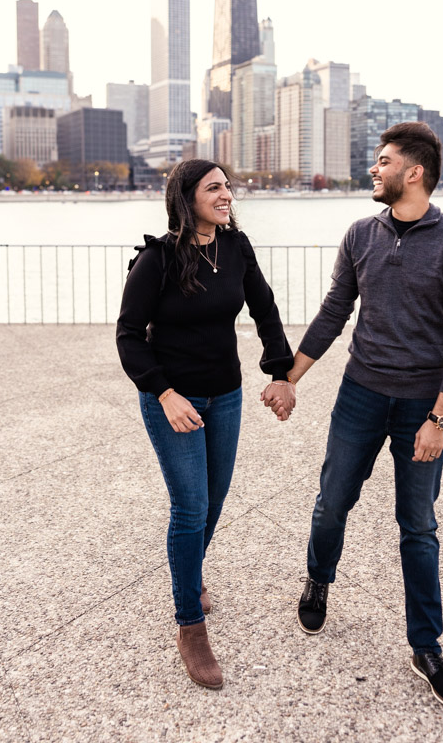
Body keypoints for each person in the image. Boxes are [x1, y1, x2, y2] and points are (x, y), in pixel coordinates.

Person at [263, 122, 443, 711]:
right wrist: (289, 379)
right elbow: (335, 310)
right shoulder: (361, 233)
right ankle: (319, 580)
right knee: (332, 500)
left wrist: (439, 419)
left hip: (422, 405)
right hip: (360, 394)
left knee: (418, 526)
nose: (374, 168)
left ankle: (427, 648)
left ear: (413, 173)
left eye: (383, 161)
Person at [117, 159, 295, 691]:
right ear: (186, 196)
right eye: (214, 188)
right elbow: (128, 336)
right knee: (190, 507)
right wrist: (164, 393)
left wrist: (281, 373)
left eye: (227, 187)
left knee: (214, 501)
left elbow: (265, 310)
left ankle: (189, 579)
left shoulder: (235, 248)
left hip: (227, 395)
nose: (226, 195)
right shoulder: (158, 259)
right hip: (174, 398)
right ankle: (189, 626)